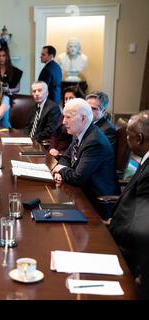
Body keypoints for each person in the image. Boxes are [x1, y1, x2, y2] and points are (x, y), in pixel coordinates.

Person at [52, 98, 119, 219]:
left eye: (68, 117)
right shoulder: (81, 132)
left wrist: (60, 169)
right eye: (64, 117)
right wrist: (60, 168)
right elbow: (65, 158)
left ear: (83, 118)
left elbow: (78, 178)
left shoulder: (94, 141)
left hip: (95, 202)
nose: (63, 122)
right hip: (80, 192)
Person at [109, 110, 149, 298]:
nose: (125, 139)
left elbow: (141, 225)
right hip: (118, 232)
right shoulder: (145, 160)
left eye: (128, 135)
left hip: (127, 250)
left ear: (139, 138)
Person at [49, 86, 85, 158]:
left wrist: (61, 154)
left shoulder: (81, 118)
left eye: (71, 98)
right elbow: (55, 134)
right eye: (66, 99)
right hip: (55, 152)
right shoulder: (64, 114)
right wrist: (51, 148)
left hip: (65, 155)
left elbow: (75, 143)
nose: (68, 101)